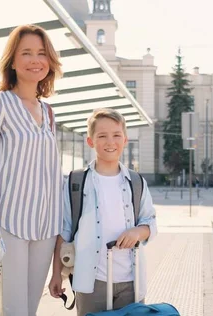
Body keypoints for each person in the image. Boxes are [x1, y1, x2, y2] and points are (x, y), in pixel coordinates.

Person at [0, 24, 63, 316]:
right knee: (11, 310)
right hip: (6, 222)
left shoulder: (48, 112)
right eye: (27, 53)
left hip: (46, 225)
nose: (36, 60)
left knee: (28, 310)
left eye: (41, 53)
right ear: (12, 60)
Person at [48, 108, 158, 316]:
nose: (110, 142)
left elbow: (150, 222)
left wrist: (137, 232)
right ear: (90, 141)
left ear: (125, 139)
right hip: (90, 282)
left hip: (131, 281)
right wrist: (56, 274)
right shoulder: (76, 181)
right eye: (102, 136)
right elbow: (64, 231)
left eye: (116, 135)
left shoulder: (136, 182)